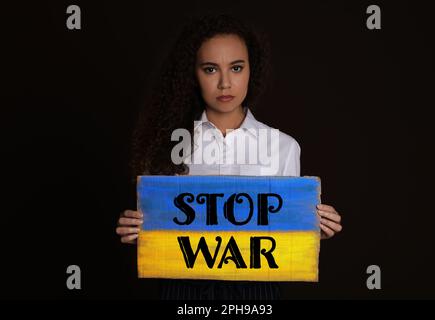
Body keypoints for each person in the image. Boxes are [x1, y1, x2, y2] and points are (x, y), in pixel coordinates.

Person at [116, 13, 342, 300]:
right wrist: (138, 228)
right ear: (193, 75)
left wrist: (312, 230)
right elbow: (161, 227)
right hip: (183, 290)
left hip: (257, 292)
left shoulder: (284, 147)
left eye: (236, 68)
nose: (225, 83)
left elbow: (285, 232)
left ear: (251, 70)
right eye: (210, 69)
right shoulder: (167, 145)